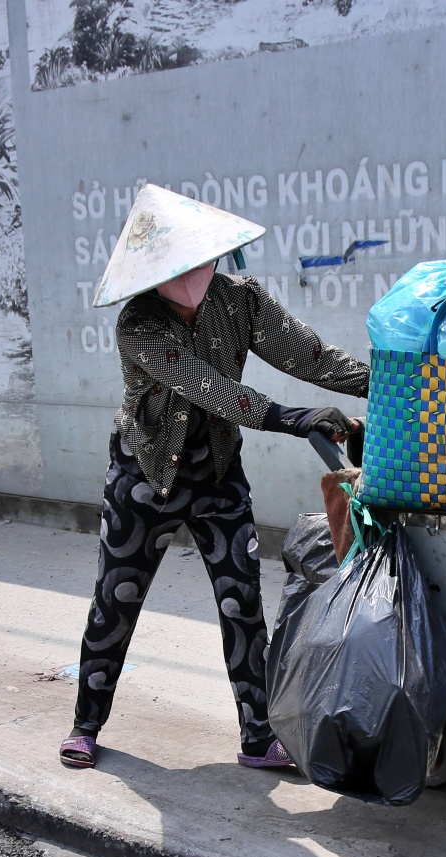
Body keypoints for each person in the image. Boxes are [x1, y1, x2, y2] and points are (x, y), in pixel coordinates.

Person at [60, 184, 367, 771]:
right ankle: (85, 724)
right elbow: (212, 388)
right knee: (115, 602)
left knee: (242, 604)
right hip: (145, 479)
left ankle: (258, 737)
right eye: (176, 265)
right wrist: (295, 418)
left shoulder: (240, 301)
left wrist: (392, 380)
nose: (192, 273)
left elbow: (312, 356)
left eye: (199, 257)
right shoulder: (139, 325)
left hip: (218, 476)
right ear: (151, 273)